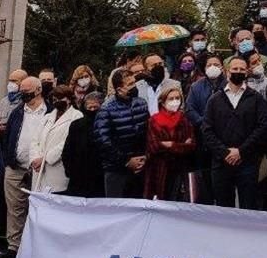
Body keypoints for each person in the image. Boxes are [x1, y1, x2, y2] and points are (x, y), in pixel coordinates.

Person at [201, 57, 267, 210]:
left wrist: (241, 151)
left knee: (249, 207)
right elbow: (207, 129)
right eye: (235, 69)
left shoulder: (256, 98)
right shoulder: (214, 99)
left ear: (246, 73)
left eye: (241, 69)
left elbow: (263, 127)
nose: (238, 72)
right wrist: (225, 152)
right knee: (223, 208)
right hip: (221, 163)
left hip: (248, 162)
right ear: (227, 72)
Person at [3, 77, 47, 255]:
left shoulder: (49, 112)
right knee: (14, 209)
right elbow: (8, 136)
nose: (22, 93)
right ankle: (14, 247)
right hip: (15, 166)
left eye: (26, 90)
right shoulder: (17, 111)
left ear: (38, 90)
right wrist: (9, 159)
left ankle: (34, 247)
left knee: (37, 208)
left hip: (39, 169)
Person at [94, 69, 150, 198]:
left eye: (134, 83)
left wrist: (145, 157)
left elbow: (148, 132)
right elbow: (103, 141)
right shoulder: (106, 109)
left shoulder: (141, 103)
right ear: (119, 89)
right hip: (116, 169)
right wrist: (126, 161)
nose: (134, 86)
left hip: (141, 166)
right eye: (129, 84)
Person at [29, 85, 83, 193]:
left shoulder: (77, 116)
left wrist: (45, 159)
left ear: (69, 99)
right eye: (54, 99)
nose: (57, 101)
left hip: (57, 168)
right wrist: (35, 158)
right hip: (39, 170)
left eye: (60, 98)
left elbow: (67, 143)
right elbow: (35, 139)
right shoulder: (47, 117)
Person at [143, 86, 195, 200]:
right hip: (160, 171)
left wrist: (170, 145)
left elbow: (191, 146)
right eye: (171, 99)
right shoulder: (153, 121)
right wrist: (181, 145)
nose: (175, 101)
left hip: (180, 171)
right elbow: (154, 146)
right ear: (162, 101)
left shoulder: (184, 120)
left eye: (177, 98)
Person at [62, 91, 104, 198]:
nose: (92, 110)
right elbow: (67, 151)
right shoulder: (76, 125)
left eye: (95, 107)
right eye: (89, 108)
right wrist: (70, 171)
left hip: (101, 179)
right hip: (78, 178)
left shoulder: (107, 124)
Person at [0, 68, 27, 135]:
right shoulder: (4, 100)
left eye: (14, 81)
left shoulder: (26, 101)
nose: (11, 83)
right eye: (10, 81)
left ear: (23, 82)